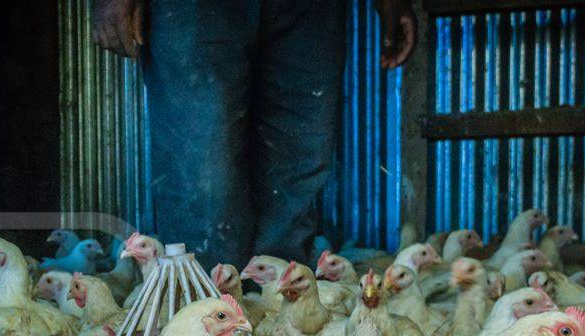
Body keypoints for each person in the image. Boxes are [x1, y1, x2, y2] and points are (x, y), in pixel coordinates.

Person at [91, 0, 417, 267]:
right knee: (201, 175)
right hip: (195, 9)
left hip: (311, 10)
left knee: (298, 163)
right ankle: (206, 321)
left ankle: (278, 321)